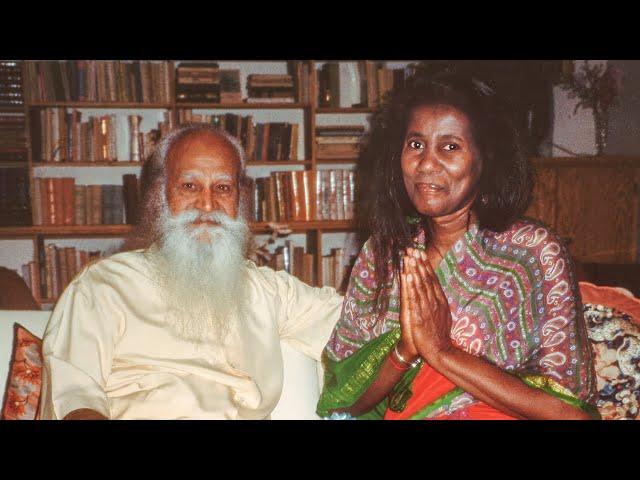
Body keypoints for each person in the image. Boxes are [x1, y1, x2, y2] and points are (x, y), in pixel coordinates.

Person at [317, 70, 598, 420]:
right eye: (415, 144)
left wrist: (441, 351)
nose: (427, 164)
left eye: (450, 147)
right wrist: (404, 350)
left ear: (486, 160)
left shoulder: (532, 254)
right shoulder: (381, 255)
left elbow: (571, 414)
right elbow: (343, 405)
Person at [38, 124, 342, 420]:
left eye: (222, 188)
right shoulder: (104, 286)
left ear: (239, 201)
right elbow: (75, 397)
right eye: (189, 186)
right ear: (161, 197)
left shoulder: (267, 290)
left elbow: (356, 320)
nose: (207, 204)